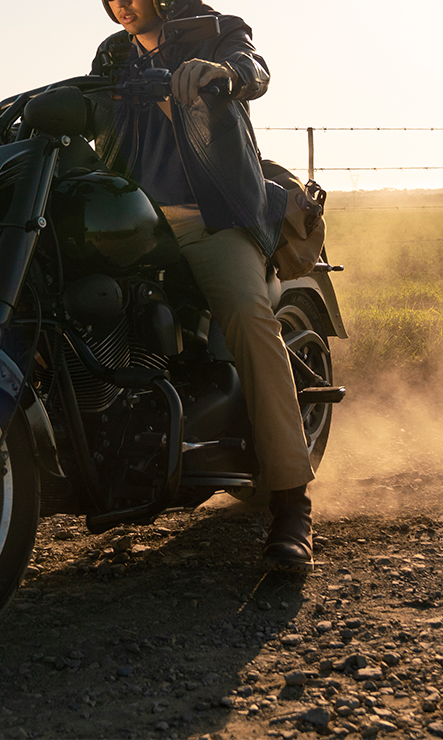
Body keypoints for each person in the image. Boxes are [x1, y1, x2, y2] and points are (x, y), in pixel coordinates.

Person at [89, 0, 316, 572]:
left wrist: (226, 75)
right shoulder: (112, 56)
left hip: (204, 214)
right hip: (129, 220)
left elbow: (252, 65)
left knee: (247, 316)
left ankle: (291, 503)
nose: (122, 3)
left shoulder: (214, 31)